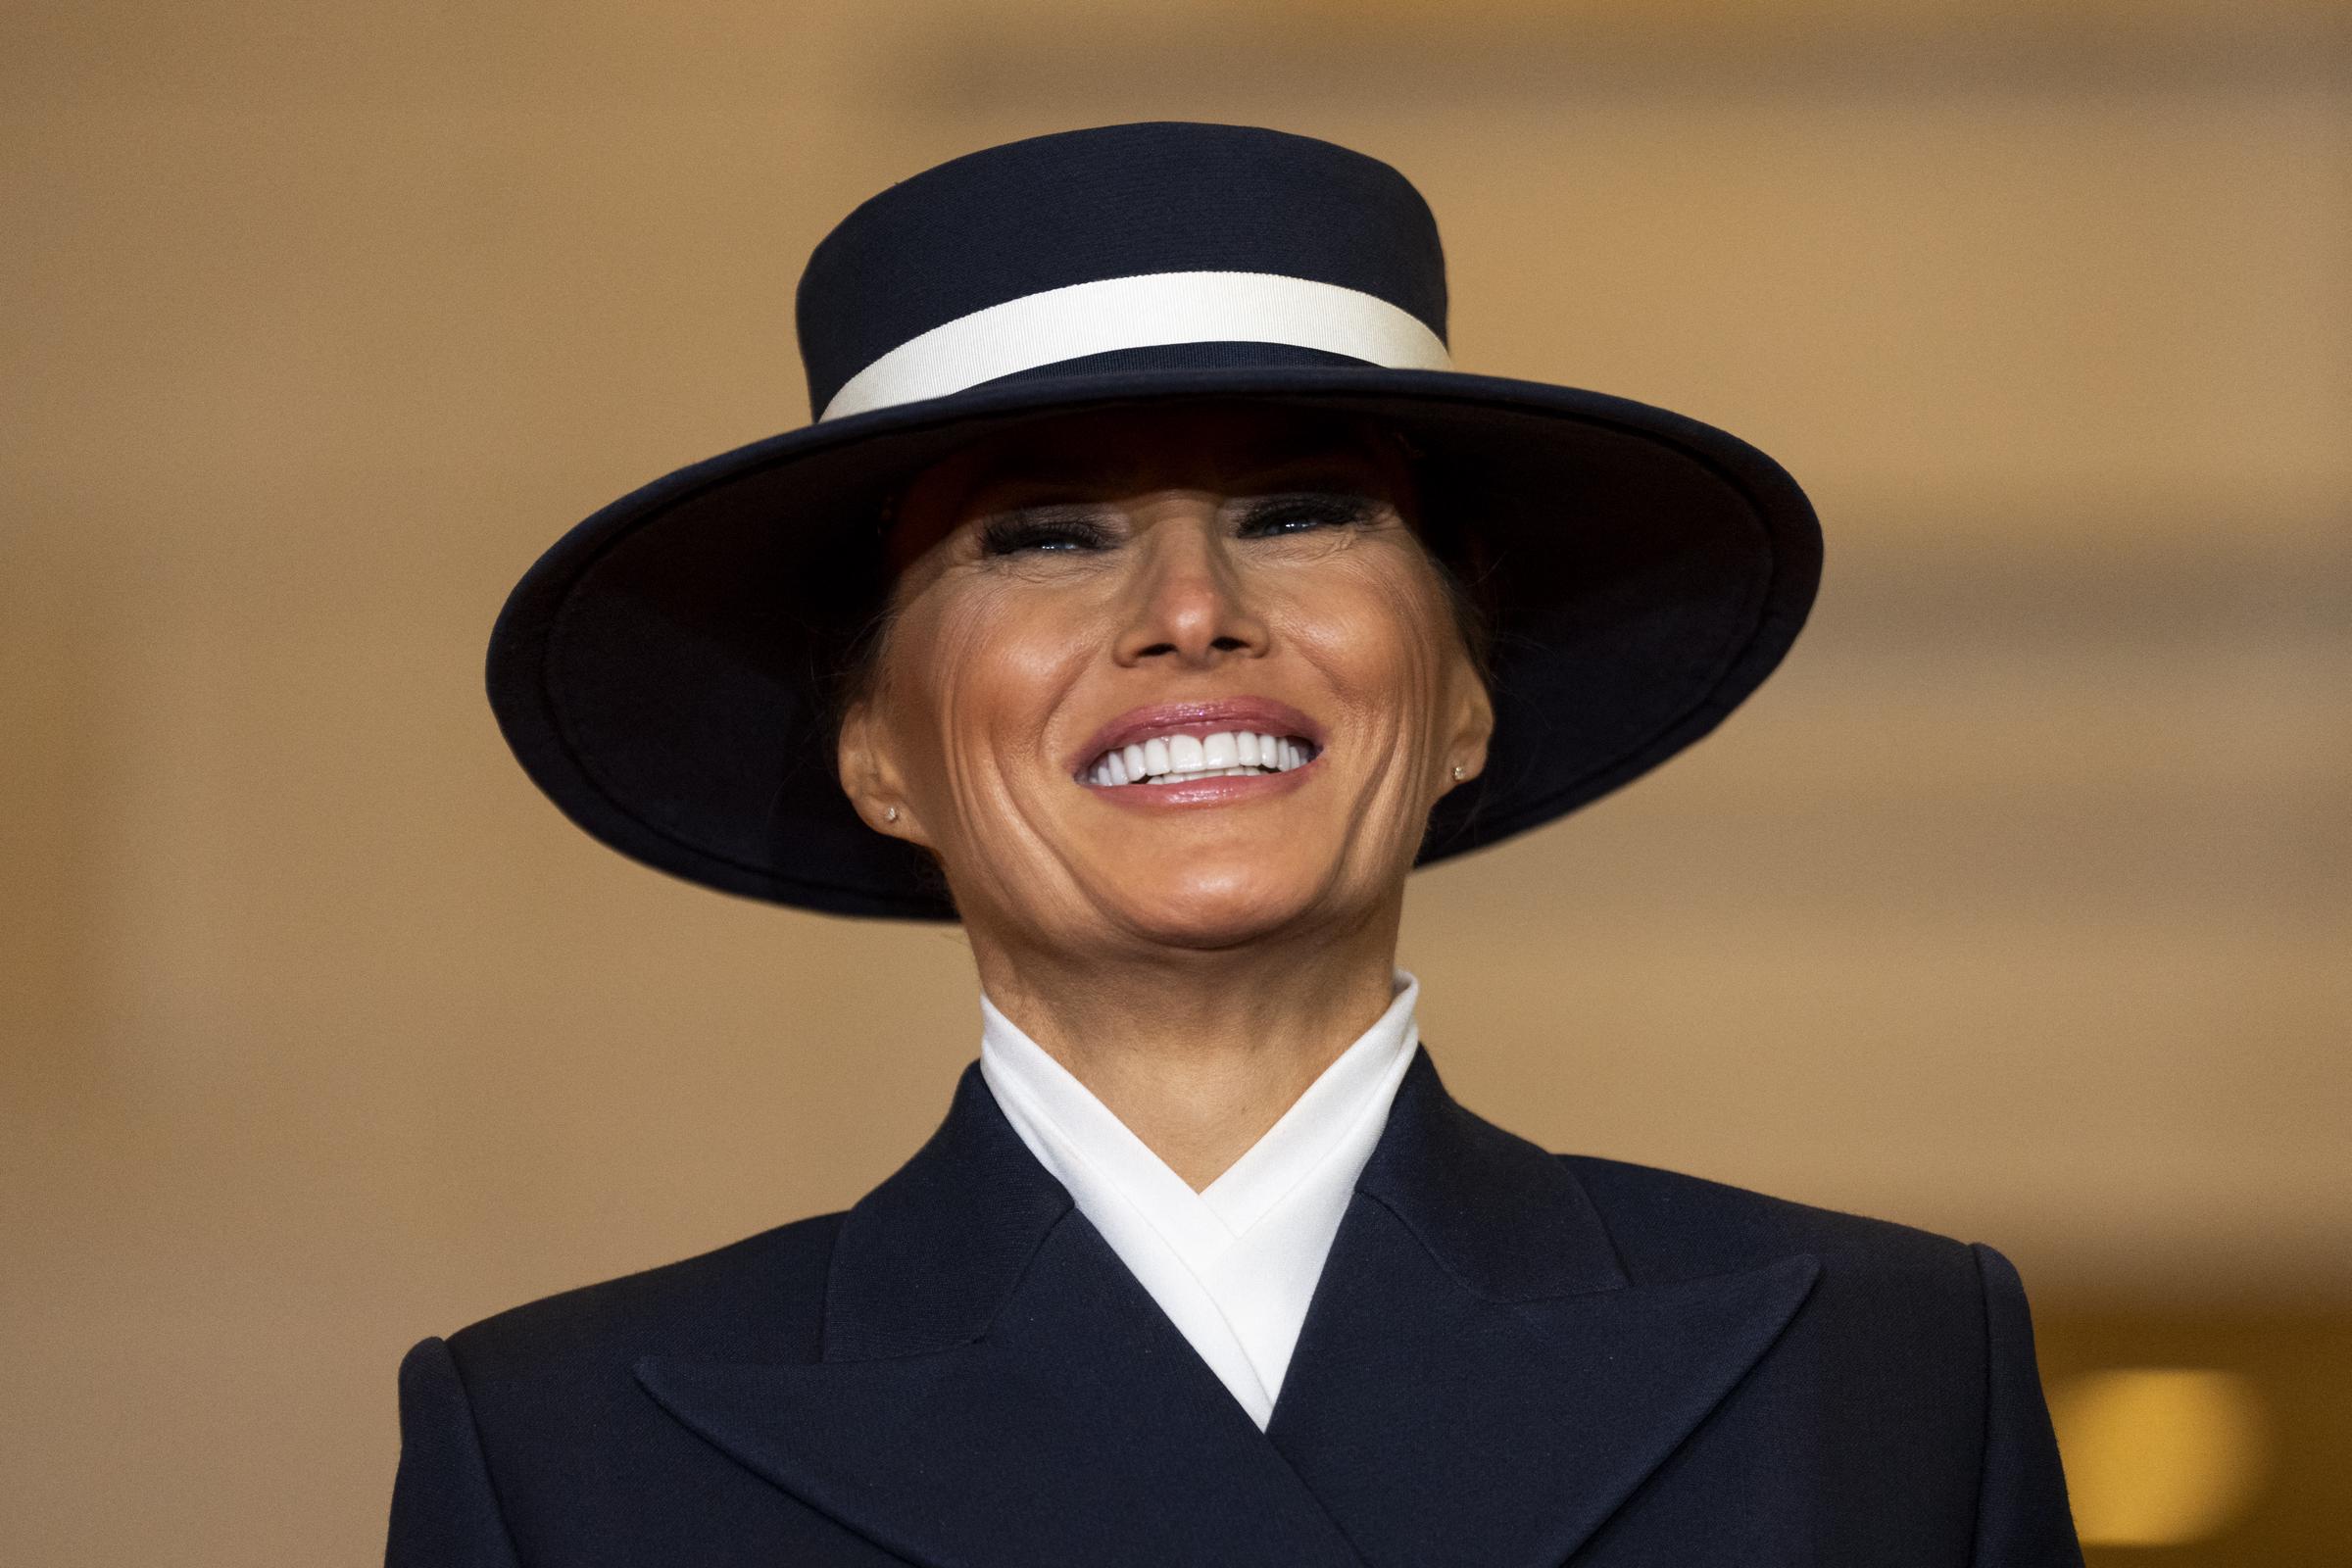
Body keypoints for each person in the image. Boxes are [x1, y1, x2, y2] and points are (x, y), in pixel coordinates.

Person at [388, 122, 2082, 1566]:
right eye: (1041, 535)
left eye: (1301, 513)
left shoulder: (1890, 1373)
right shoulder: (558, 1457)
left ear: (1467, 703)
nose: (1192, 612)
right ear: (879, 751)